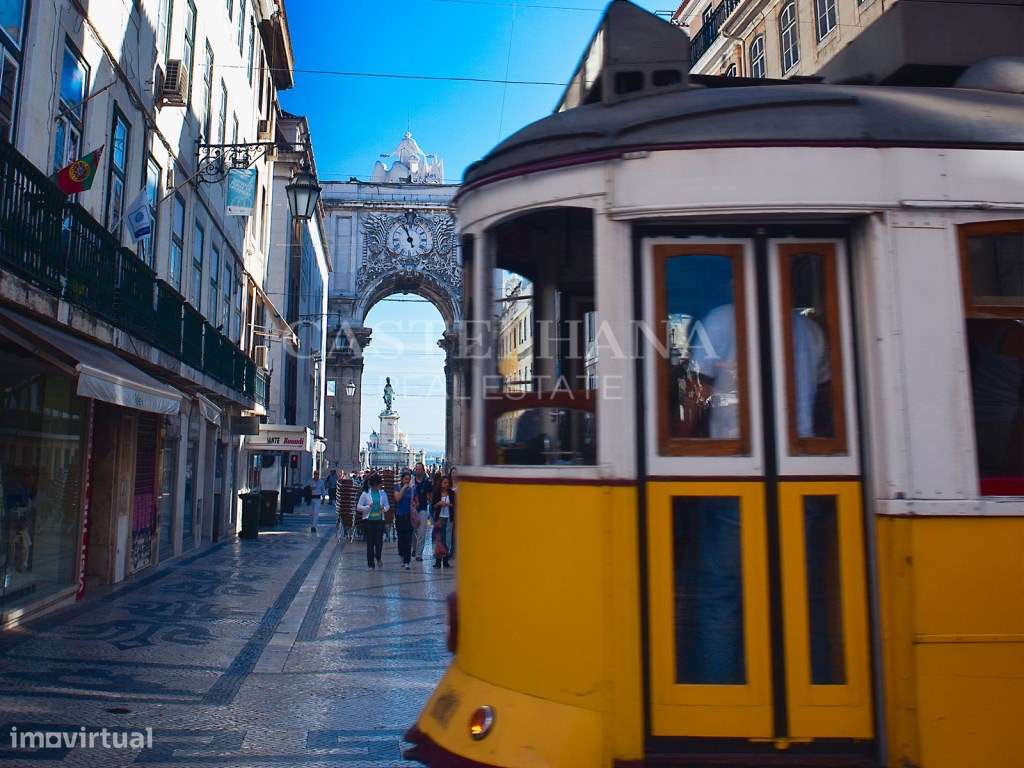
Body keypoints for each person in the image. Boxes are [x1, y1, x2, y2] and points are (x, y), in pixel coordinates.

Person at [356, 473, 389, 569]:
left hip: (380, 520)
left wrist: (384, 509)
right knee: (370, 543)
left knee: (379, 542)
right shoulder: (365, 494)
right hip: (368, 520)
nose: (380, 486)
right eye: (379, 484)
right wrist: (367, 507)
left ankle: (378, 557)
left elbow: (387, 505)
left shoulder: (383, 494)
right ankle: (371, 564)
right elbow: (358, 507)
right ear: (374, 484)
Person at [393, 468, 416, 570]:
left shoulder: (412, 490)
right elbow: (397, 498)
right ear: (402, 480)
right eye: (406, 479)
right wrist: (404, 488)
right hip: (399, 516)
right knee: (401, 538)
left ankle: (407, 561)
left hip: (409, 516)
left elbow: (416, 501)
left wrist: (415, 503)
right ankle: (401, 555)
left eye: (409, 479)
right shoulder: (397, 488)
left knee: (408, 539)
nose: (407, 481)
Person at [411, 462, 433, 561]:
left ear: (423, 470)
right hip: (412, 509)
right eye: (417, 469)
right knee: (412, 531)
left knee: (422, 532)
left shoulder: (427, 482)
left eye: (420, 469)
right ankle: (415, 549)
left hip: (423, 508)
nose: (418, 471)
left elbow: (429, 496)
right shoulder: (411, 482)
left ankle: (419, 554)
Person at [431, 476, 454, 568]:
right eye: (444, 482)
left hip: (448, 518)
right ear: (441, 483)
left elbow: (455, 505)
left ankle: (445, 560)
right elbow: (432, 506)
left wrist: (449, 504)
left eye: (447, 483)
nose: (446, 484)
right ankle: (438, 560)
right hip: (439, 518)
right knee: (439, 539)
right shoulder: (437, 493)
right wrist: (439, 504)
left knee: (447, 540)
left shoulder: (452, 494)